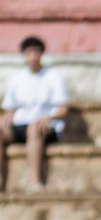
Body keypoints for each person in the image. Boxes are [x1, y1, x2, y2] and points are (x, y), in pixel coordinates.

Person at [0, 36, 68, 192]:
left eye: (35, 52)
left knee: (33, 128)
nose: (32, 56)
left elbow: (63, 109)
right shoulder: (17, 79)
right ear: (24, 55)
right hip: (20, 125)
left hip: (46, 127)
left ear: (41, 54)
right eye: (29, 53)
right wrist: (6, 119)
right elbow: (10, 108)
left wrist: (49, 117)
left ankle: (35, 181)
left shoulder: (54, 77)